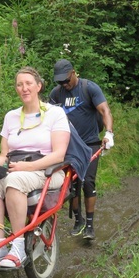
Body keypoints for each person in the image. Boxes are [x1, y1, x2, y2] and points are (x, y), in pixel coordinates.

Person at [0, 66, 70, 269]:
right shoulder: (11, 117)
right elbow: (3, 155)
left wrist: (28, 167)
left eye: (28, 83)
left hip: (48, 170)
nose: (24, 88)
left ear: (38, 86)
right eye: (19, 84)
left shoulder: (55, 113)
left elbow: (59, 154)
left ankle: (18, 246)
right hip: (16, 169)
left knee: (14, 180)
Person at [48, 59, 114, 241]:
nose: (65, 84)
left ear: (74, 73)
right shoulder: (55, 94)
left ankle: (90, 226)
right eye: (60, 82)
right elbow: (49, 120)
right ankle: (78, 221)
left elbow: (105, 111)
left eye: (67, 80)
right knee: (70, 186)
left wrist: (109, 133)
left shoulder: (89, 88)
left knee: (88, 182)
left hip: (90, 143)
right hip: (67, 145)